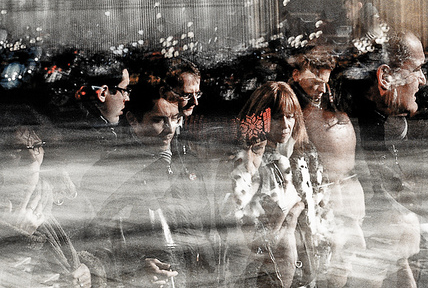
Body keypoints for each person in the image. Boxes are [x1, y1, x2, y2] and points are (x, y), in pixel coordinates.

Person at [85, 80, 217, 287]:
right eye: (158, 120)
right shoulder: (109, 171)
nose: (169, 128)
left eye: (175, 118)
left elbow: (204, 228)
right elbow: (93, 246)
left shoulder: (187, 163)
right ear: (133, 119)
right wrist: (135, 268)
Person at [215, 81, 330, 288]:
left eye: (290, 116)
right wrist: (289, 215)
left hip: (302, 268)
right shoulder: (246, 162)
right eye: (277, 117)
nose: (285, 124)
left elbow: (318, 211)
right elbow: (245, 237)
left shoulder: (302, 155)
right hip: (263, 274)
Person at [341, 30, 427, 287]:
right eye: (417, 69)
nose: (423, 80)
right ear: (385, 77)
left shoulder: (378, 125)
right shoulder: (347, 139)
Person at [0, 107, 104, 288]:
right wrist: (16, 238)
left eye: (36, 146)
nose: (32, 157)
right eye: (17, 149)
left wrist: (89, 271)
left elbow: (102, 248)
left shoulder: (59, 200)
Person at [289, 47, 367, 287]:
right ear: (296, 75)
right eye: (315, 82)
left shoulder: (332, 105)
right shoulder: (289, 113)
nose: (322, 89)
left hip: (340, 201)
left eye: (325, 82)